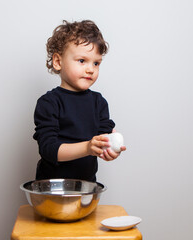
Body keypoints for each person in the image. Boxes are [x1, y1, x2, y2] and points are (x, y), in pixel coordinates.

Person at [33, 20, 126, 182]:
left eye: (96, 63)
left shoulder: (99, 103)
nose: (91, 69)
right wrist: (87, 147)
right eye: (82, 61)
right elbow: (49, 149)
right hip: (52, 187)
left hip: (87, 186)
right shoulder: (49, 102)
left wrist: (109, 149)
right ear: (58, 61)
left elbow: (101, 141)